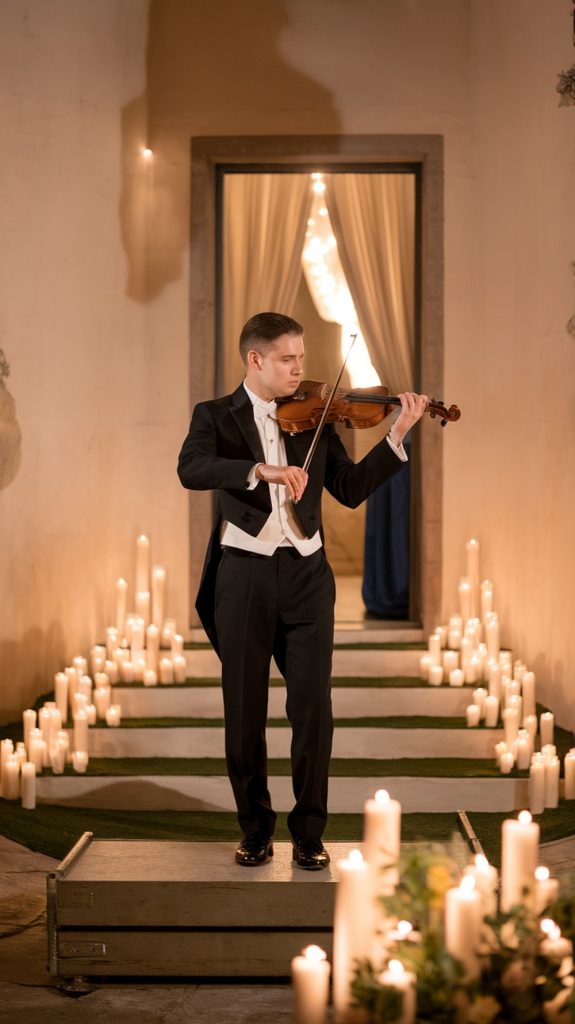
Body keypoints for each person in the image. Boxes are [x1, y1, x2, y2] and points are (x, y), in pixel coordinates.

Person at [177, 312, 428, 870]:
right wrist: (258, 470)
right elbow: (190, 468)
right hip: (242, 575)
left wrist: (396, 435)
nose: (299, 370)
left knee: (314, 709)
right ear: (256, 360)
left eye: (302, 358)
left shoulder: (317, 419)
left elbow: (350, 488)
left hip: (308, 578)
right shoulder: (214, 415)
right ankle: (255, 830)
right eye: (288, 359)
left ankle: (310, 833)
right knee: (244, 711)